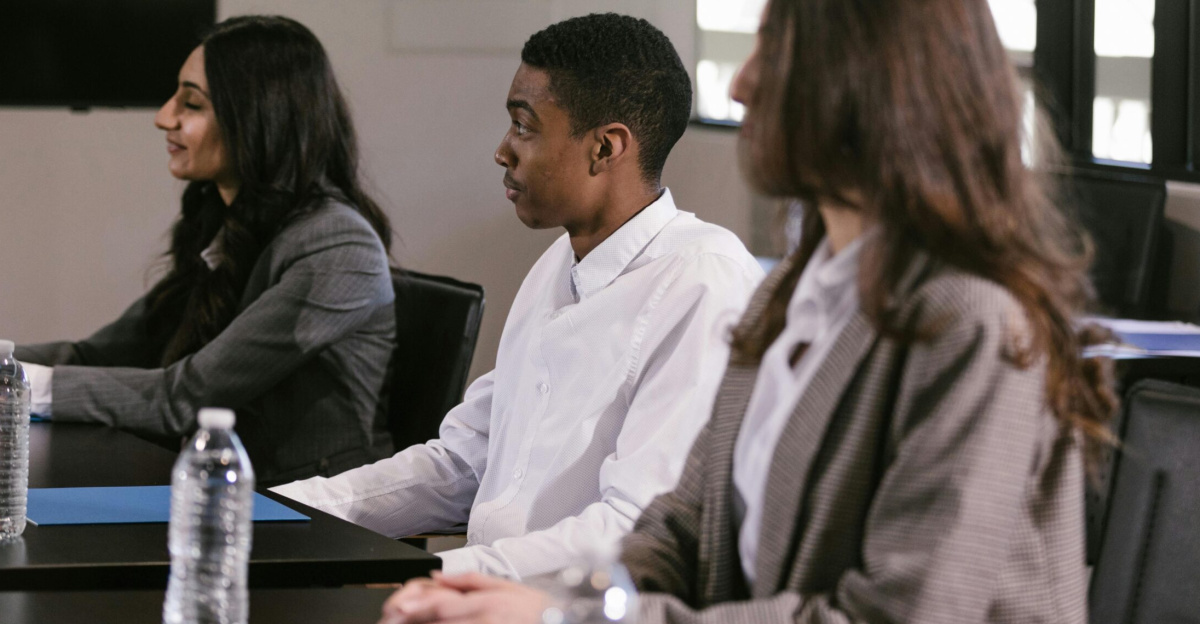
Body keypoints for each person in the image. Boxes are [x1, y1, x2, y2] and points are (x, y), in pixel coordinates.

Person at [375, 0, 1118, 622]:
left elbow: (891, 616)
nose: (741, 86)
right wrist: (543, 600)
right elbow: (683, 529)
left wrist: (563, 618)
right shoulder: (793, 292)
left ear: (867, 86)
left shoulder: (971, 323)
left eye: (773, 53)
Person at [272, 13, 763, 580]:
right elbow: (465, 461)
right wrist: (281, 512)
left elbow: (635, 527)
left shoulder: (702, 283)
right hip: (483, 593)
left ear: (604, 147)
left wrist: (439, 577)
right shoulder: (558, 263)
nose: (503, 151)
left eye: (524, 127)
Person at [15, 16, 396, 487]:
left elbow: (186, 395)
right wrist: (5, 362)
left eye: (191, 103)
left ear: (259, 116)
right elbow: (95, 353)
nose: (164, 117)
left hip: (311, 524)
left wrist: (17, 387)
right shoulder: (229, 220)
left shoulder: (340, 247)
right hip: (227, 499)